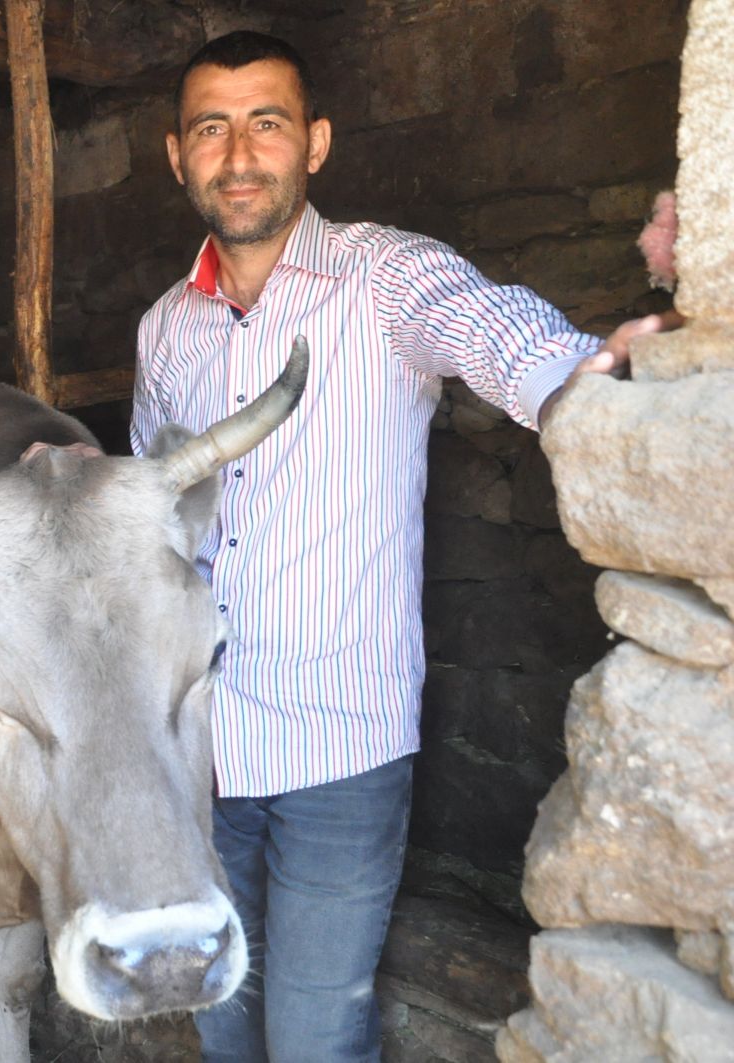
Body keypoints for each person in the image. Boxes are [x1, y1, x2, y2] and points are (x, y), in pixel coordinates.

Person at [131, 31, 672, 1063]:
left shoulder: (382, 277)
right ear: (176, 155)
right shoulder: (165, 329)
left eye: (266, 124)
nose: (238, 154)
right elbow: (156, 517)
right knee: (219, 1020)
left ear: (315, 144)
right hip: (195, 741)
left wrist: (581, 371)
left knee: (315, 1033)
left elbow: (489, 328)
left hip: (341, 743)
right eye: (211, 128)